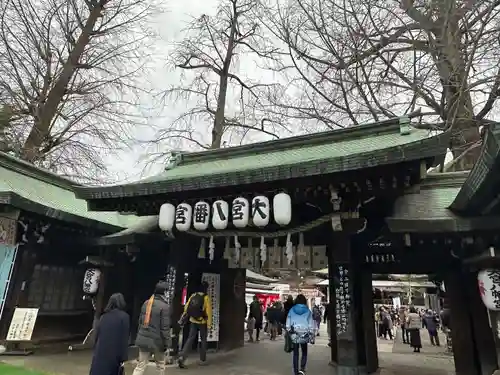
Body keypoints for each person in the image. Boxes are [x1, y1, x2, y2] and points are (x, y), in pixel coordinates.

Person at [132, 282, 171, 375]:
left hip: (144, 339)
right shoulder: (164, 306)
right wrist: (167, 344)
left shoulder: (147, 303)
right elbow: (165, 328)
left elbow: (140, 322)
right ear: (164, 292)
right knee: (160, 365)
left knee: (140, 366)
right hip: (158, 341)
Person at [89, 293, 130, 375]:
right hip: (114, 354)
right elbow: (124, 338)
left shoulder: (104, 317)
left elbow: (97, 335)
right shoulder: (124, 317)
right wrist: (123, 357)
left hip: (100, 352)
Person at [178, 282, 212, 368]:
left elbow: (186, 308)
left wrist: (184, 316)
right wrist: (209, 325)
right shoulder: (206, 297)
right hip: (202, 322)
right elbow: (208, 312)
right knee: (203, 340)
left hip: (193, 320)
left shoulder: (193, 295)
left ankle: (183, 357)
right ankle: (202, 360)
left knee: (190, 338)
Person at [286, 294, 316, 375]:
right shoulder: (308, 311)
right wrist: (312, 334)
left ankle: (295, 372)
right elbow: (311, 324)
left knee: (295, 353)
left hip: (294, 334)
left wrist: (289, 331)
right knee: (304, 351)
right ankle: (302, 369)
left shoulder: (292, 310)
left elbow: (288, 323)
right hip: (304, 334)